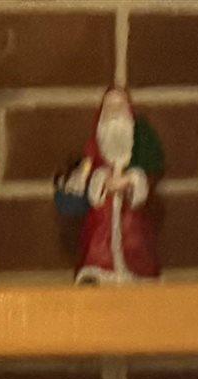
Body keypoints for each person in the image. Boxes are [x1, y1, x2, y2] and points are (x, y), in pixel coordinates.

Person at [54, 86, 164, 284]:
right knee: (98, 245)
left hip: (130, 218)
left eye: (119, 106)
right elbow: (87, 180)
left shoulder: (139, 147)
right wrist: (103, 181)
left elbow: (146, 185)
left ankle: (137, 272)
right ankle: (98, 268)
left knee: (135, 241)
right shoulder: (95, 149)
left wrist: (131, 180)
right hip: (102, 221)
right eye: (109, 107)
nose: (114, 112)